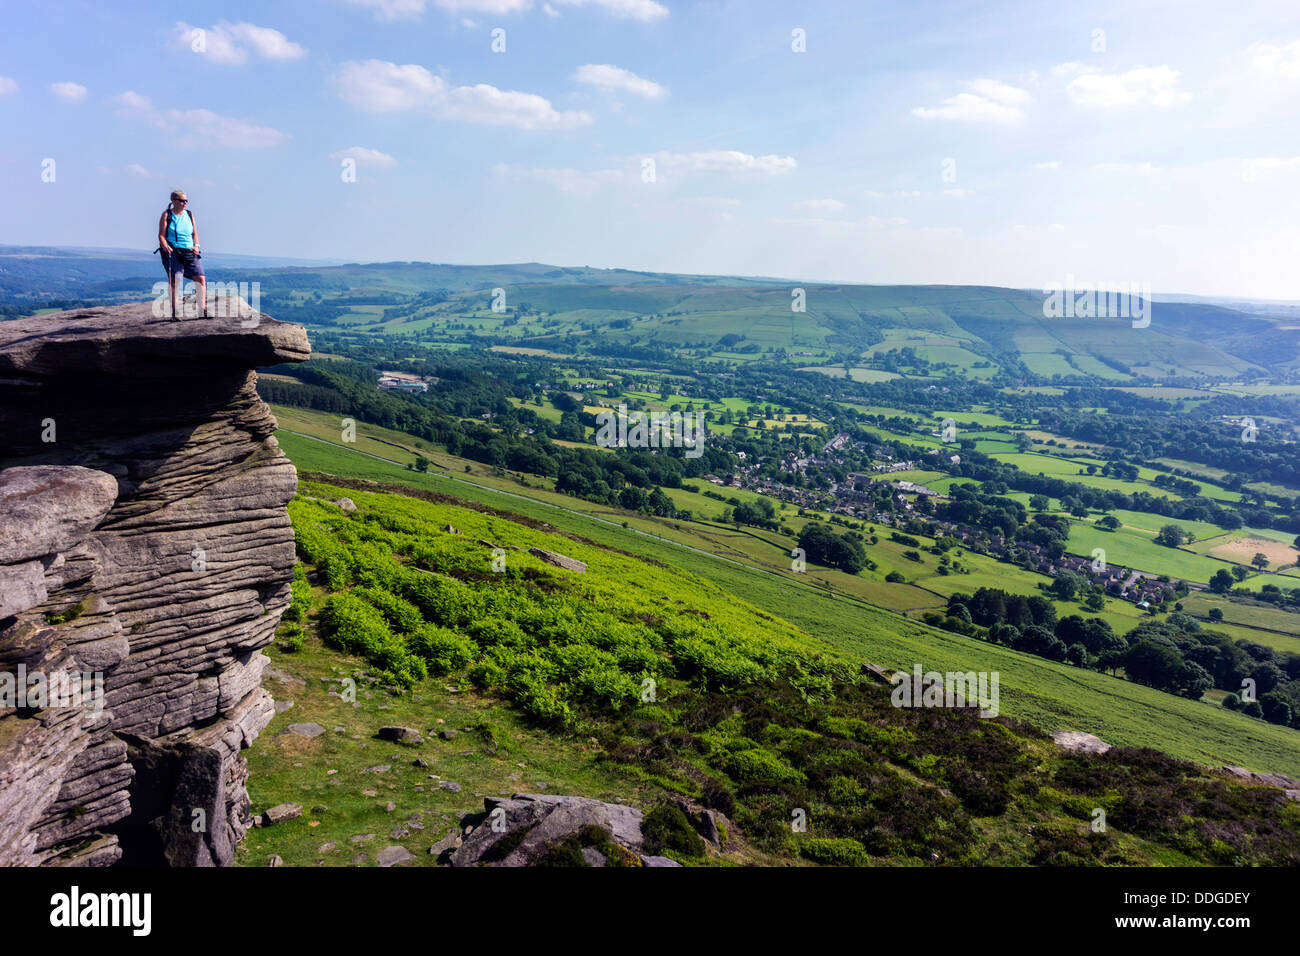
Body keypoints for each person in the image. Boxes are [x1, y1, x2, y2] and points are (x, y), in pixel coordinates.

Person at [156, 189, 207, 319]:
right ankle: (175, 313)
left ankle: (202, 311)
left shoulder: (189, 214)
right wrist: (165, 245)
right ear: (173, 201)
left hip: (190, 250)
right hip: (173, 251)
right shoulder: (167, 215)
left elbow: (194, 233)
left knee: (200, 278)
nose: (185, 203)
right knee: (175, 281)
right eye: (181, 200)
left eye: (186, 201)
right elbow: (161, 235)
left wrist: (196, 246)